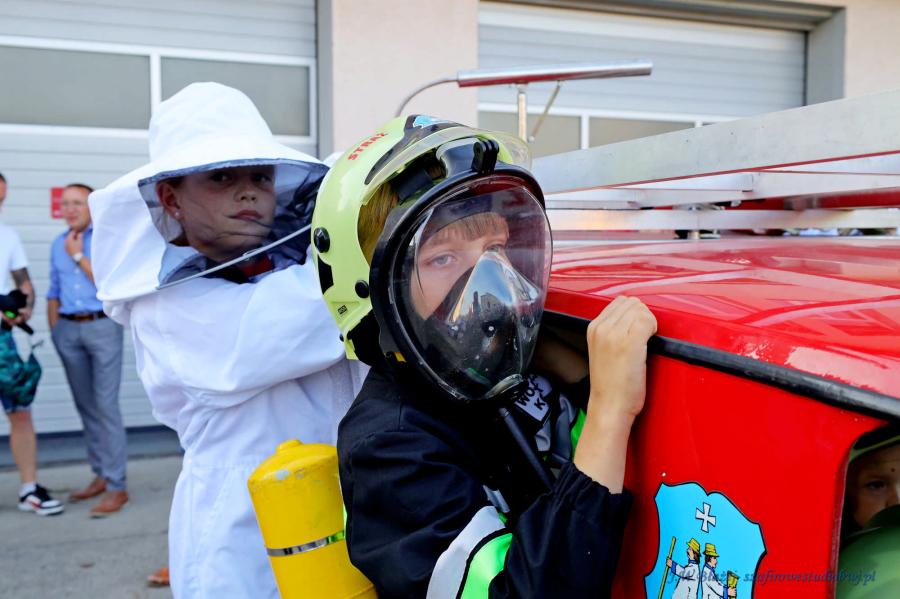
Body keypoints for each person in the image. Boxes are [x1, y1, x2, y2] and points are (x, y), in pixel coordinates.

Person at [311, 115, 657, 597]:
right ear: (376, 291)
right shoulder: (390, 449)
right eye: (443, 258)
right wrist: (609, 410)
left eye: (495, 248)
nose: (491, 286)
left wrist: (574, 371)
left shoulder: (494, 372)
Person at [88, 83, 363, 598]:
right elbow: (309, 317)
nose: (248, 192)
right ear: (170, 197)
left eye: (261, 176)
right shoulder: (164, 308)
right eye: (221, 177)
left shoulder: (279, 272)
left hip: (341, 509)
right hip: (242, 531)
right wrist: (366, 213)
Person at [48, 182, 128, 516]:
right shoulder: (57, 243)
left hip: (102, 327)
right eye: (65, 203)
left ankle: (117, 486)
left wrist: (79, 256)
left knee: (106, 406)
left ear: (91, 208)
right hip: (68, 329)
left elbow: (110, 285)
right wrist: (55, 331)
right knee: (86, 407)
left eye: (77, 203)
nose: (69, 209)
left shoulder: (105, 240)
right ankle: (100, 475)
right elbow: (53, 290)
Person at [0, 172, 63, 516]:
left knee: (20, 412)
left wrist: (24, 307)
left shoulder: (7, 235)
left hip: (4, 339)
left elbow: (23, 282)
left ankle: (29, 489)